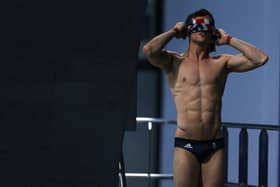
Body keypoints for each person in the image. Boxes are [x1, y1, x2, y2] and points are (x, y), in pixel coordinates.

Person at [143, 9, 268, 187]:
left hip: (214, 144)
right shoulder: (174, 62)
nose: (202, 28)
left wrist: (229, 40)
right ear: (189, 30)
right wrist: (173, 32)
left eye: (207, 25)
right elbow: (149, 50)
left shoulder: (221, 63)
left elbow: (260, 58)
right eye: (197, 24)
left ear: (213, 32)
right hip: (186, 143)